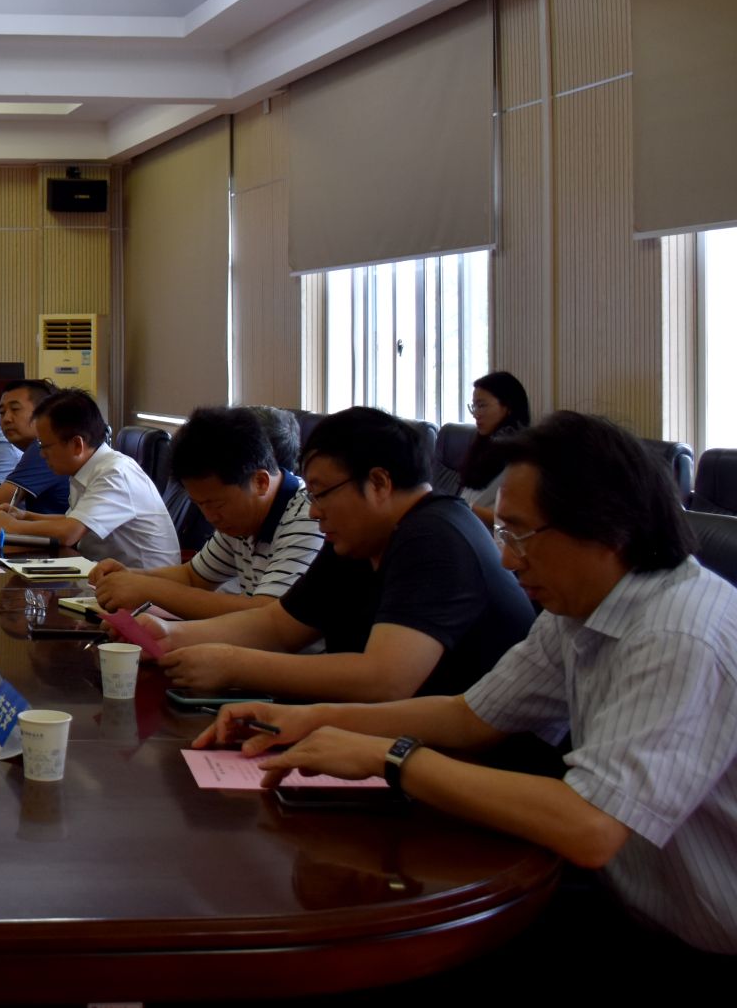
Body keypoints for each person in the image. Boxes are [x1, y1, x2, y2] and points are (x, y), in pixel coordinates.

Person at [198, 412, 736, 957]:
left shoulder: (677, 634)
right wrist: (314, 718)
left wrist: (392, 758)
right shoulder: (579, 608)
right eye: (504, 532)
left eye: (520, 534)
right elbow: (471, 716)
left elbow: (589, 827)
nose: (506, 557)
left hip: (692, 940)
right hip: (623, 899)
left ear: (606, 529)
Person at [153, 406, 534, 699]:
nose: (313, 511)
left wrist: (234, 665)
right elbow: (278, 626)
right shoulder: (360, 539)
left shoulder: (436, 536)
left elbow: (384, 679)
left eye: (321, 493)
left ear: (379, 483)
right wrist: (170, 635)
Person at [90, 407, 322, 619]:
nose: (210, 517)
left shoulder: (309, 517)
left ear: (260, 482)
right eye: (199, 505)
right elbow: (194, 577)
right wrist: (130, 576)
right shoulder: (241, 519)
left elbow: (265, 614)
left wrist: (149, 589)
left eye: (216, 504)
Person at [0, 390, 180, 570]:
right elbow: (73, 520)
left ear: (77, 445)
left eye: (45, 446)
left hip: (145, 585)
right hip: (107, 575)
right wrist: (26, 516)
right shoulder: (88, 468)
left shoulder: (114, 473)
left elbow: (69, 532)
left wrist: (12, 526)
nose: (42, 454)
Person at [0, 378, 70, 516]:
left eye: (15, 409)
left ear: (44, 413)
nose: (6, 419)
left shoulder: (42, 448)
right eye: (2, 412)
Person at [461, 369, 531, 524]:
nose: (476, 414)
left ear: (507, 406)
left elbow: (515, 521)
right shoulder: (483, 445)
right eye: (474, 406)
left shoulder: (520, 454)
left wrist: (466, 508)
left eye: (482, 406)